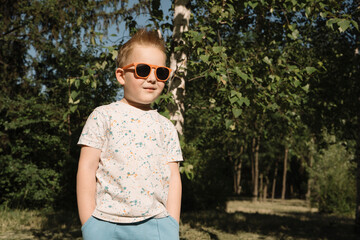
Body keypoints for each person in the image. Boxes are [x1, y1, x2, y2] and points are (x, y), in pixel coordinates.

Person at [76, 29, 183, 240]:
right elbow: (86, 168)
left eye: (161, 72)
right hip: (105, 223)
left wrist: (172, 223)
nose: (152, 78)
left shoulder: (166, 126)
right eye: (143, 70)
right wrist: (89, 223)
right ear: (120, 75)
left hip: (158, 224)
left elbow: (174, 176)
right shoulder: (102, 116)